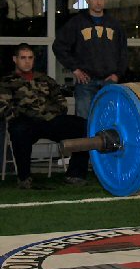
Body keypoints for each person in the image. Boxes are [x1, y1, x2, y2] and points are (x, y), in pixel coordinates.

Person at [0, 43, 90, 189]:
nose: (27, 61)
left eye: (30, 58)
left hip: (49, 120)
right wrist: (19, 115)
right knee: (18, 131)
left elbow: (61, 102)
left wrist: (50, 114)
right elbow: (3, 105)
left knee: (83, 126)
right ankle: (24, 178)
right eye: (23, 58)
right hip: (25, 122)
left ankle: (75, 174)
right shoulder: (7, 82)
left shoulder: (45, 79)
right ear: (15, 59)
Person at [53, 0, 128, 119]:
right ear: (87, 0)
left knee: (109, 119)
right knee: (83, 121)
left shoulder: (115, 25)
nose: (98, 2)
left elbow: (123, 51)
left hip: (109, 81)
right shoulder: (76, 23)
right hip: (85, 83)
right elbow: (59, 46)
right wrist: (75, 69)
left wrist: (117, 74)